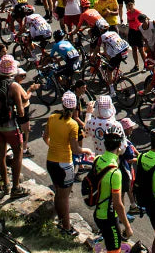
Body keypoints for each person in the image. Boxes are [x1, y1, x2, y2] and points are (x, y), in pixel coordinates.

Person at [45, 91, 91, 235]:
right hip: (65, 163)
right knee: (64, 197)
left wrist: (53, 146)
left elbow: (45, 137)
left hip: (51, 160)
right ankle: (66, 227)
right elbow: (76, 149)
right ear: (75, 106)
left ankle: (61, 220)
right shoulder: (72, 125)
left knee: (58, 192)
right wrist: (87, 150)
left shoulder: (52, 117)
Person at [0, 55, 29, 199]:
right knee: (18, 153)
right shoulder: (14, 85)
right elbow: (21, 111)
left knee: (1, 155)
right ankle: (16, 187)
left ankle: (5, 184)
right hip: (10, 126)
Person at [90, 129, 132, 253]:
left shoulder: (97, 159)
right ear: (119, 146)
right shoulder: (115, 172)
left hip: (97, 212)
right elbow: (118, 204)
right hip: (109, 217)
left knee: (109, 246)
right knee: (115, 250)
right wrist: (127, 227)